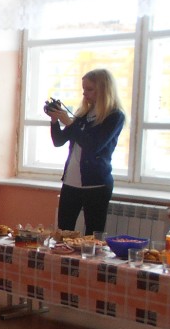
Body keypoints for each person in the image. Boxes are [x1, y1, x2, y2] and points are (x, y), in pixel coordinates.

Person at [46, 68, 125, 236]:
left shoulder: (114, 116)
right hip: (70, 181)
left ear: (104, 90)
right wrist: (54, 120)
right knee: (63, 232)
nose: (84, 93)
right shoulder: (83, 114)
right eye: (83, 89)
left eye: (89, 89)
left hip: (96, 184)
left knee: (93, 235)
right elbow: (58, 141)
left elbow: (93, 146)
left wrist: (70, 123)